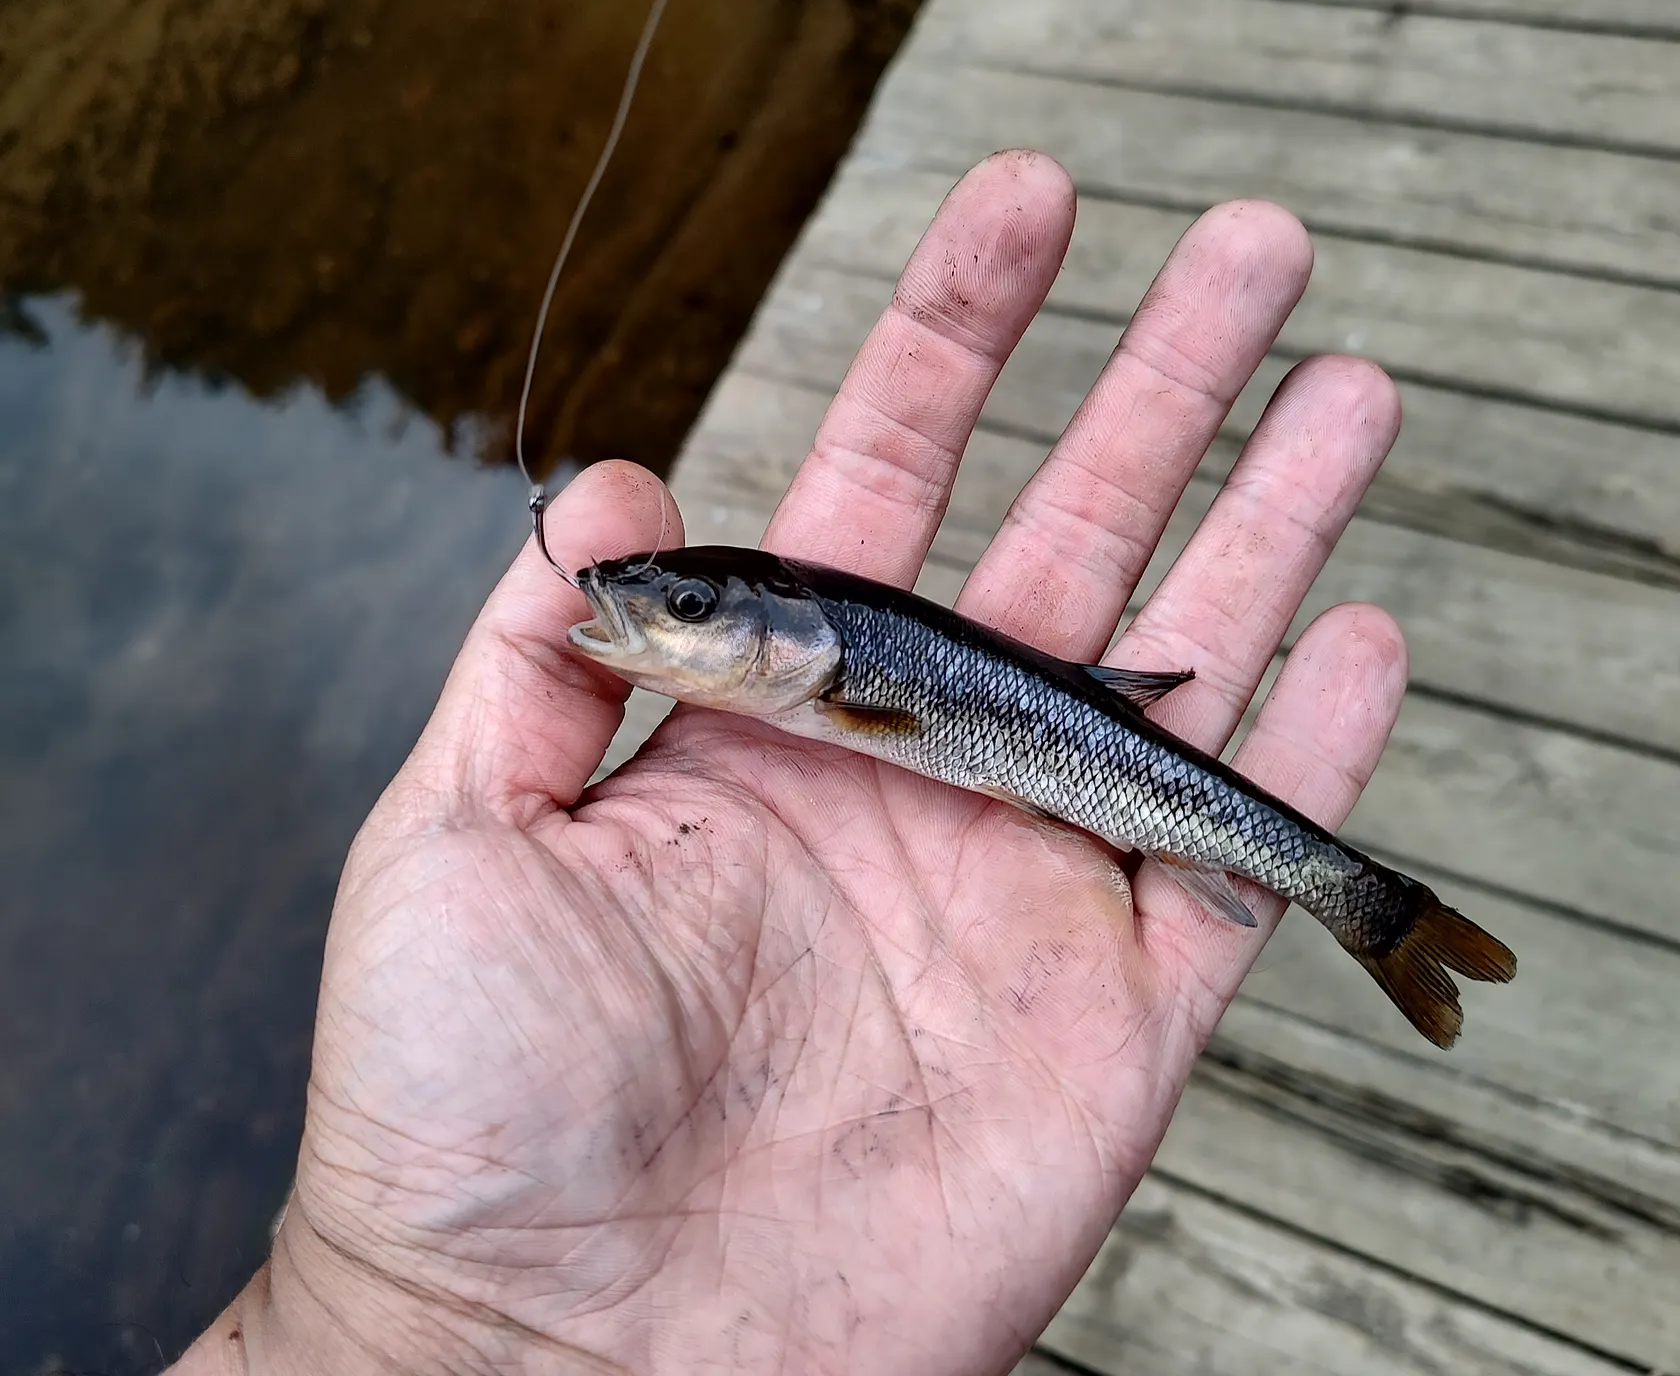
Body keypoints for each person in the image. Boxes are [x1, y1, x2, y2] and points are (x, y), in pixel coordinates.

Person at [171, 151, 1405, 1375]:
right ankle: (1368, 906)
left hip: (1106, 768)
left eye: (696, 608)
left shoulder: (852, 680)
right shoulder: (813, 677)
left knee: (1230, 820)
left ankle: (1370, 907)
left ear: (794, 640)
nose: (665, 619)